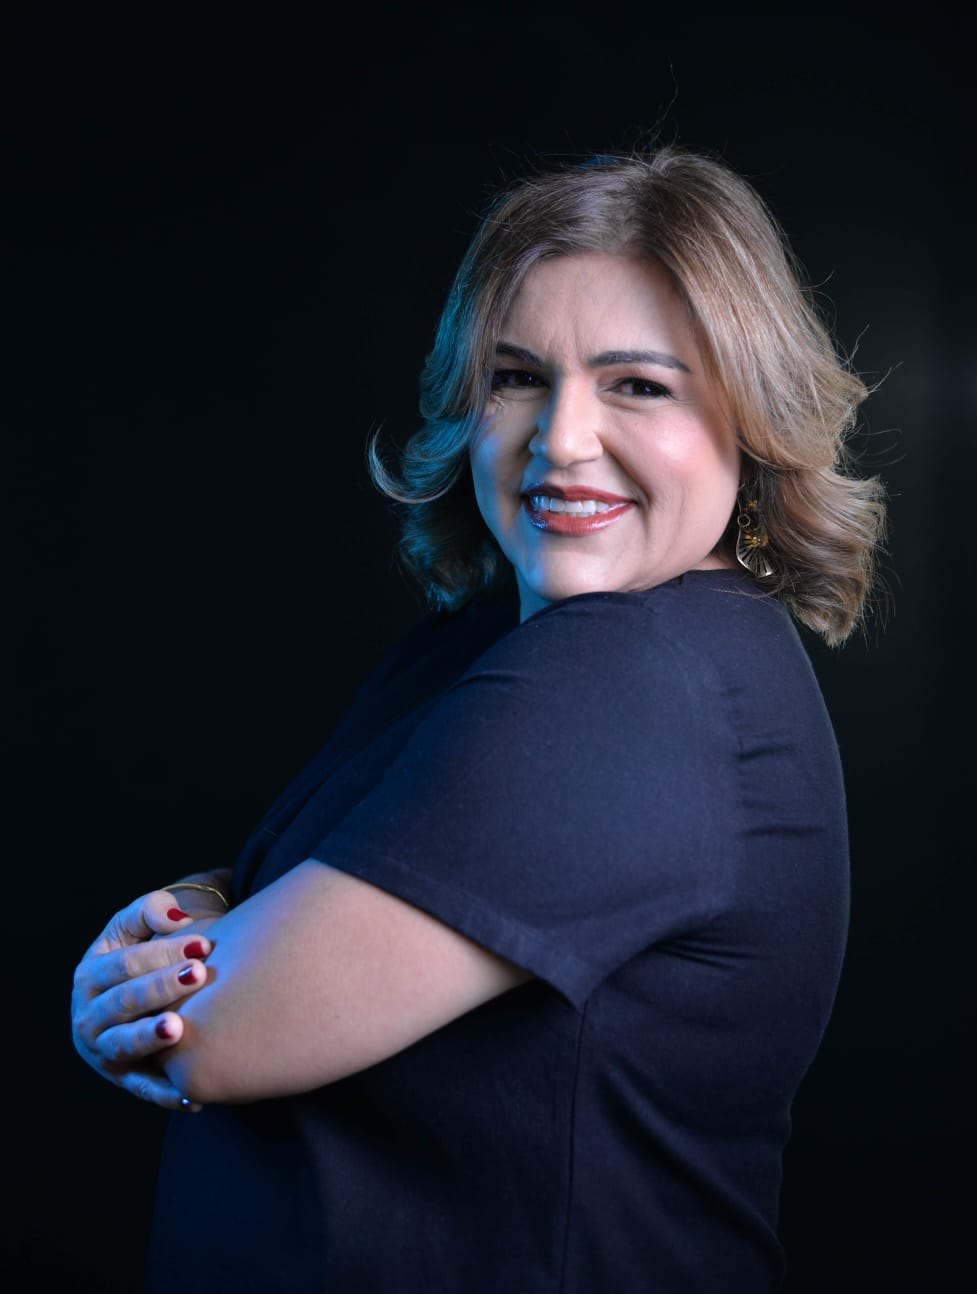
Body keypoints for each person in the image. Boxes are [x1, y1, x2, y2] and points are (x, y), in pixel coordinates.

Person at [71, 144, 887, 1292]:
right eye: (515, 377)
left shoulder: (629, 681)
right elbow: (302, 891)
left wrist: (157, 966)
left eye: (636, 385)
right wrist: (204, 910)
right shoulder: (494, 638)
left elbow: (207, 1035)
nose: (558, 438)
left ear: (750, 420)